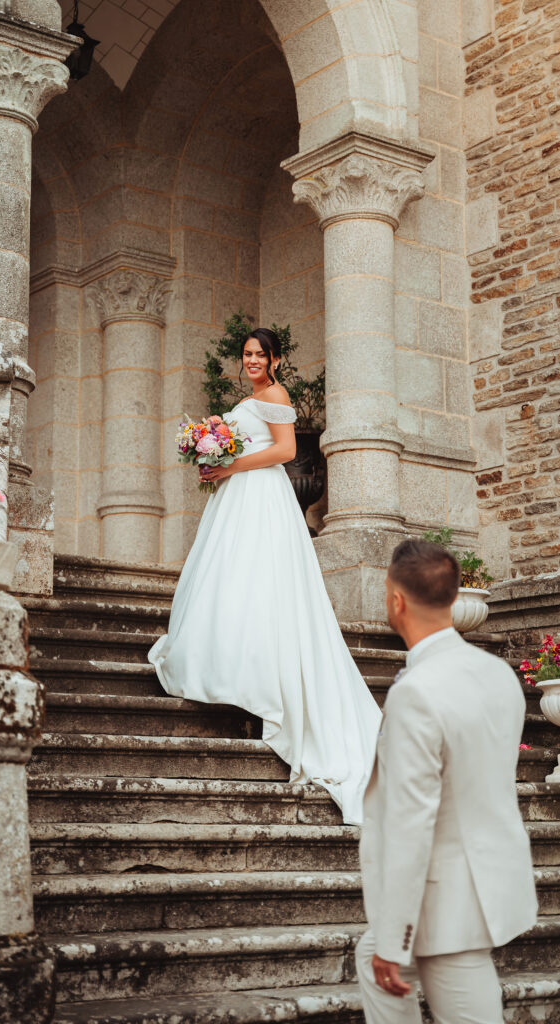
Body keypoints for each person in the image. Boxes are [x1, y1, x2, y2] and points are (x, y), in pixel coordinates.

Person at [148, 327, 381, 825]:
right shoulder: (246, 398)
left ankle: (265, 689)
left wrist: (229, 467)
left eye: (260, 354)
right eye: (247, 354)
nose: (253, 360)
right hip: (238, 498)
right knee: (231, 583)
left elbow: (282, 452)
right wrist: (213, 457)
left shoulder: (275, 394)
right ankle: (234, 668)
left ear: (275, 359)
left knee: (262, 583)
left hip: (263, 497)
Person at [356, 539, 537, 1024]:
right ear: (454, 597)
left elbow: (412, 820)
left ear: (396, 600)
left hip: (448, 899)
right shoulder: (498, 673)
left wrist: (395, 941)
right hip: (486, 877)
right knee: (369, 955)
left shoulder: (417, 691)